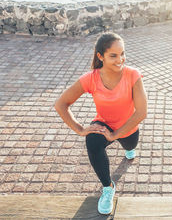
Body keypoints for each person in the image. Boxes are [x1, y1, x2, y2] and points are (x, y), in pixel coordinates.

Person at [54, 32, 147, 215]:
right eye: (113, 55)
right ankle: (108, 186)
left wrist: (116, 134)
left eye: (122, 54)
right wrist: (80, 129)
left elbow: (141, 112)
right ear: (100, 56)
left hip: (128, 126)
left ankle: (127, 147)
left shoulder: (133, 75)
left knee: (130, 147)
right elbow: (60, 104)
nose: (120, 59)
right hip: (104, 124)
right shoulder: (91, 78)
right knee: (92, 143)